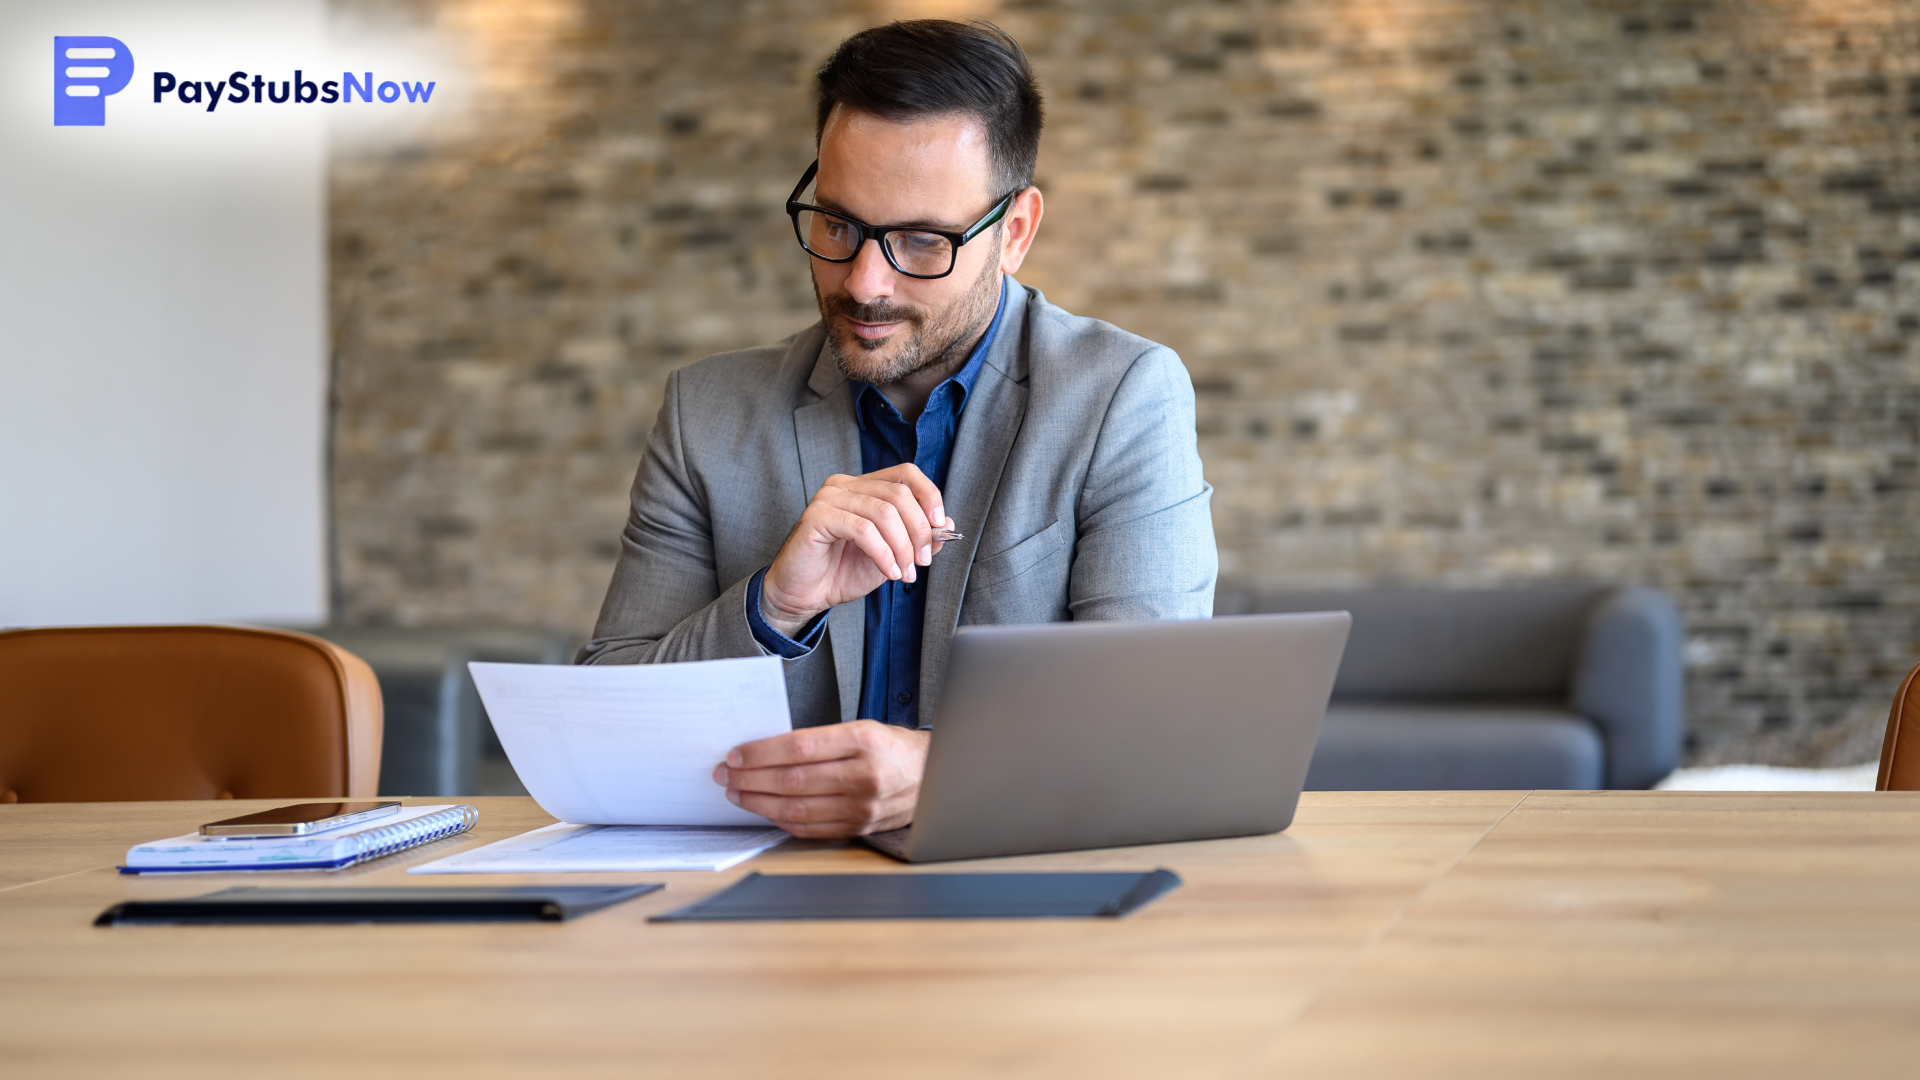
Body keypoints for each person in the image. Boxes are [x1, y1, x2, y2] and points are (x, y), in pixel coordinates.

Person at [581, 19, 1216, 838]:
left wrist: (949, 772)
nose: (864, 282)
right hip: (763, 913)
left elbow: (1154, 727)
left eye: (922, 240)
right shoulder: (707, 413)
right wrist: (772, 607)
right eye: (837, 225)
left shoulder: (1121, 396)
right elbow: (603, 725)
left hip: (1019, 907)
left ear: (1014, 232)